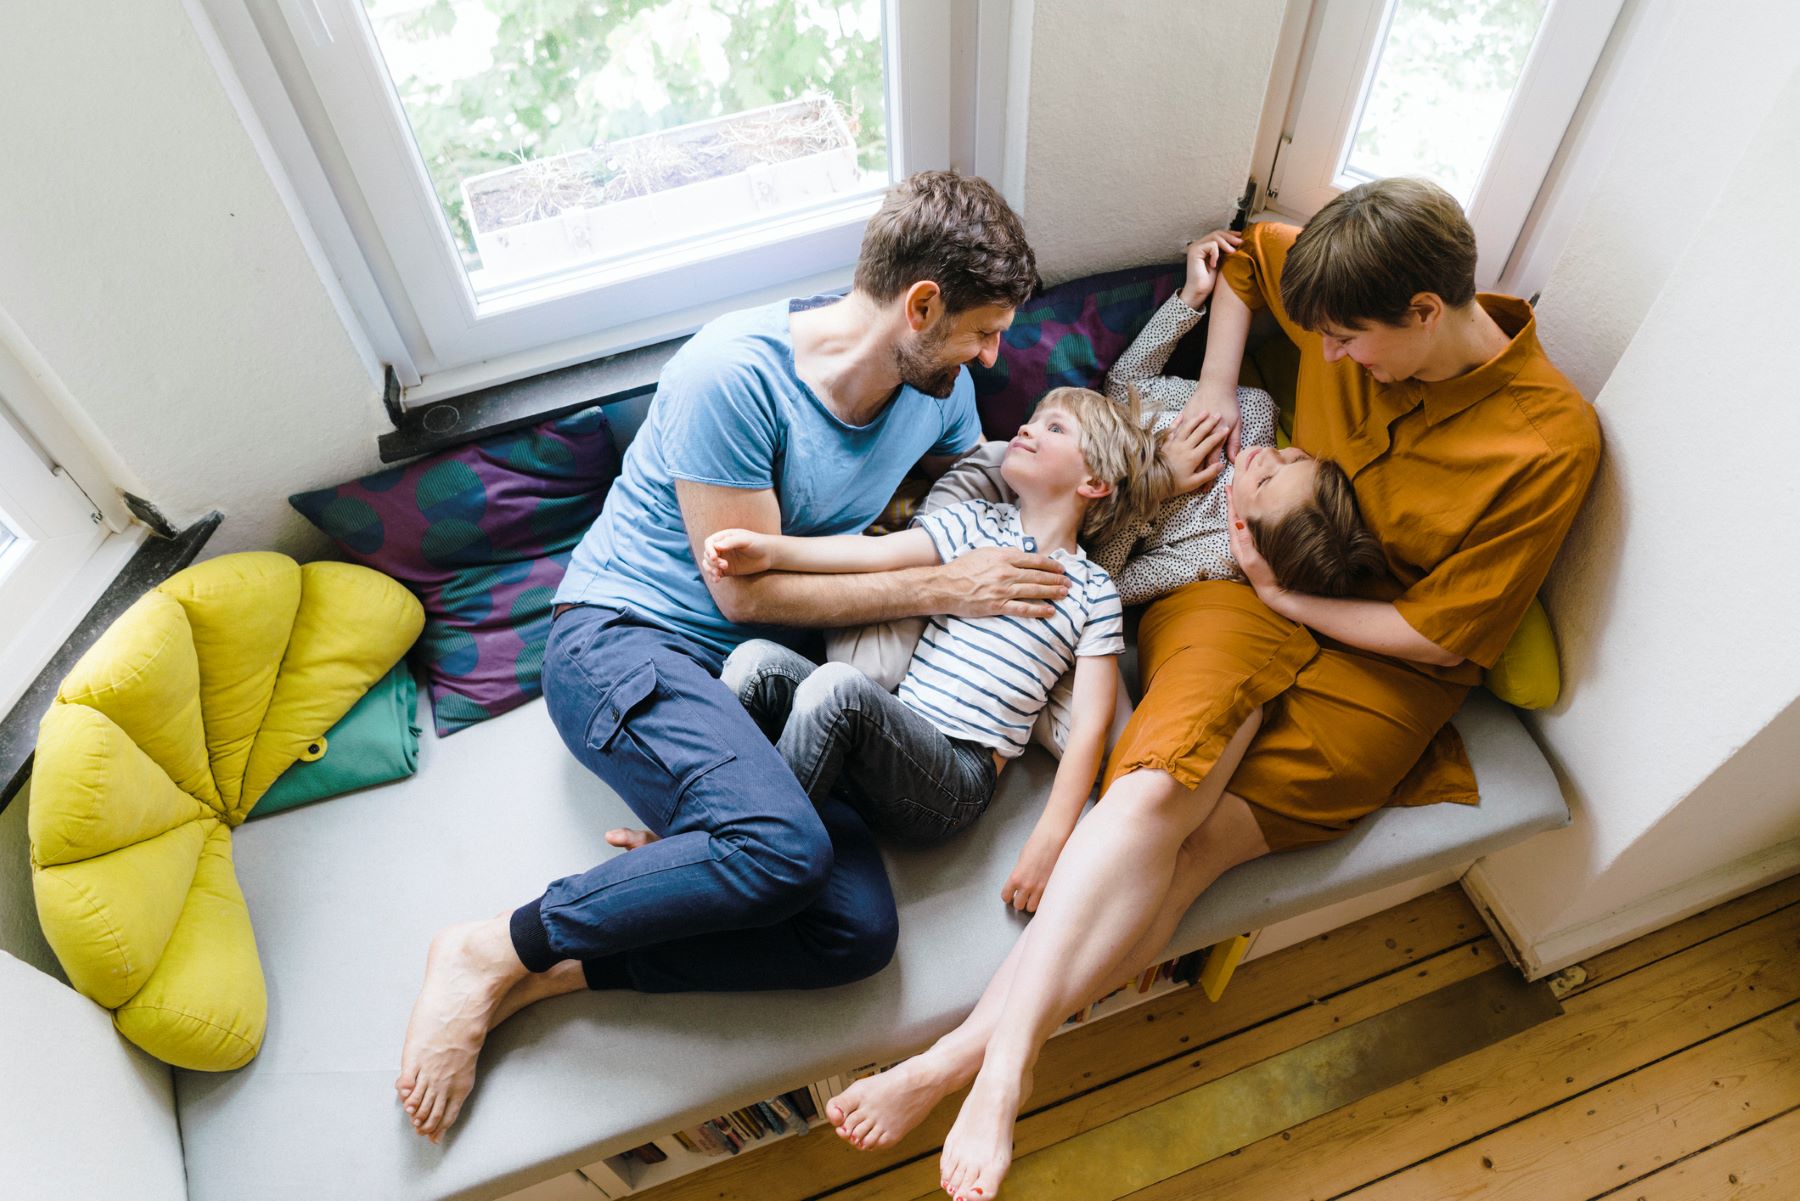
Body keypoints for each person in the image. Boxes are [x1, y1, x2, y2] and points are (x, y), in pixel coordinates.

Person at [823, 177, 1602, 1201]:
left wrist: (1291, 595)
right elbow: (1248, 259)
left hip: (1383, 666)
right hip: (1230, 585)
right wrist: (1219, 384)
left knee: (1194, 858)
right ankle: (1004, 1069)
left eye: (1347, 342)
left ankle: (961, 1062)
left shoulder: (1548, 444)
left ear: (1424, 311)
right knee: (1153, 791)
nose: (1330, 357)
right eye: (1323, 337)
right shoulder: (1343, 286)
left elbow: (1434, 633)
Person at [394, 170, 1049, 1143]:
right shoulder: (733, 375)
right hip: (624, 642)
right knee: (782, 848)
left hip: (752, 686)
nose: (994, 356)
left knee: (856, 932)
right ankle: (494, 944)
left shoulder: (938, 396)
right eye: (983, 331)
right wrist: (946, 588)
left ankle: (561, 971)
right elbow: (748, 592)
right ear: (920, 306)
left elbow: (964, 508)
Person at [704, 386, 1160, 911]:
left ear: (1094, 483)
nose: (1028, 428)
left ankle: (754, 865)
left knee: (838, 688)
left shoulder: (1093, 590)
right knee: (754, 663)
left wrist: (1049, 843)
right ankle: (704, 834)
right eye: (1034, 418)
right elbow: (873, 555)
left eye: (1055, 428)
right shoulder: (975, 522)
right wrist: (770, 551)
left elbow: (1089, 728)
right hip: (886, 739)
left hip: (954, 779)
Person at [1091, 232, 1387, 606]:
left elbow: (1105, 587)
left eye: (1265, 481)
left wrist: (1152, 489)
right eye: (1294, 458)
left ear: (1245, 531)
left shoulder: (1215, 554)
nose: (1268, 456)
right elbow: (1123, 389)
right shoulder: (1251, 415)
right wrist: (1191, 297)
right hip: (1081, 427)